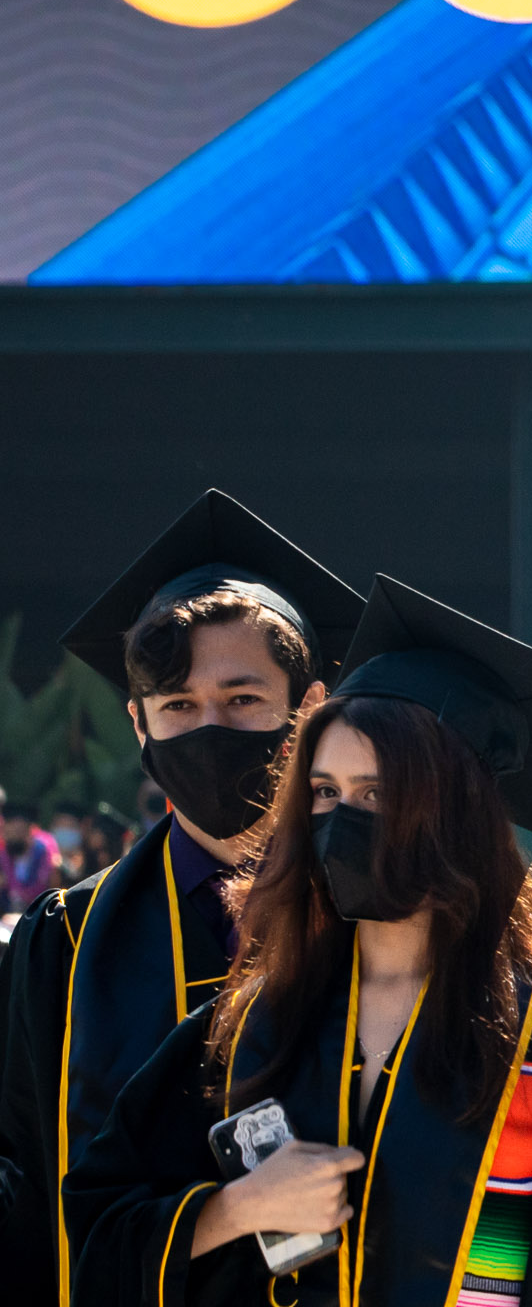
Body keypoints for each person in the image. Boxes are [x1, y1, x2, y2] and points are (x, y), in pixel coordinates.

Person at [63, 573, 532, 1307]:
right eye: (325, 793)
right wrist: (236, 1210)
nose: (343, 820)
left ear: (452, 810)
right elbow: (100, 1219)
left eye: (378, 793)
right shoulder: (261, 1018)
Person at [0, 490, 361, 1307]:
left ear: (307, 708)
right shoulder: (67, 941)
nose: (209, 730)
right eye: (178, 708)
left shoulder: (381, 912)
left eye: (242, 700)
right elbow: (28, 1195)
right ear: (138, 725)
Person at [3, 800, 61, 913]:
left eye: (18, 831)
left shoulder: (45, 853)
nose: (13, 836)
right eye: (9, 832)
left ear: (29, 830)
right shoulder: (4, 855)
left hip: (41, 912)